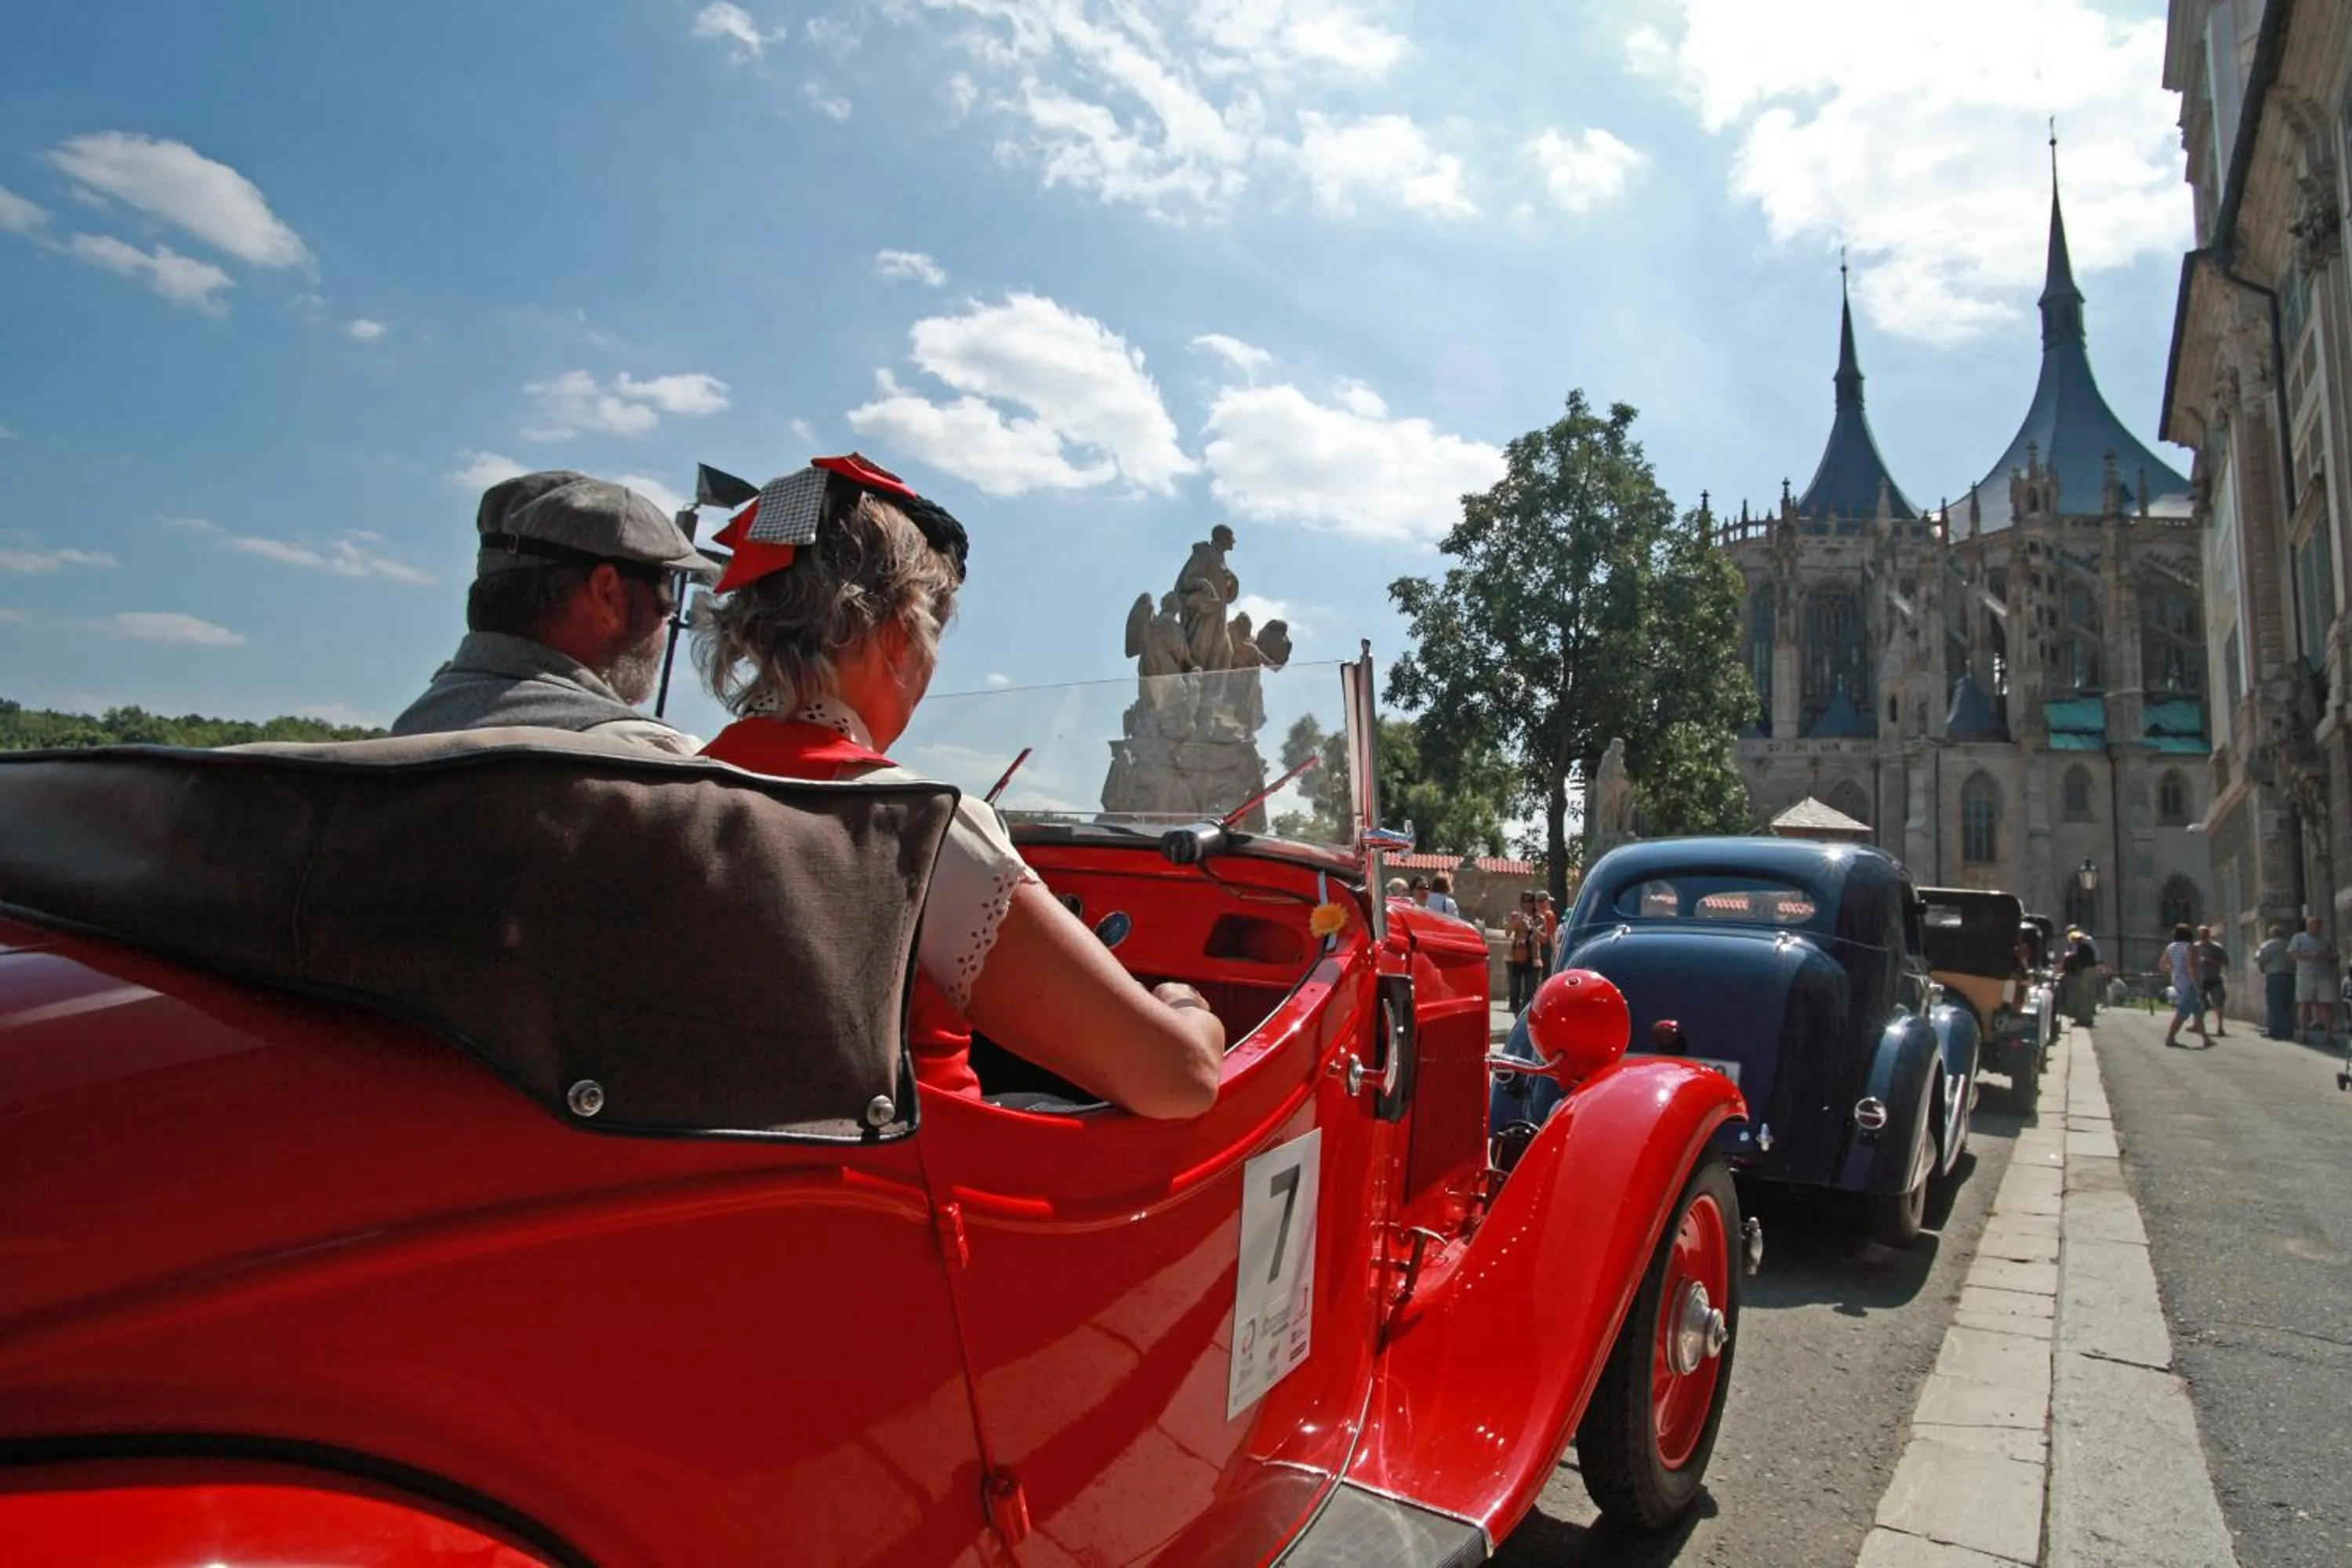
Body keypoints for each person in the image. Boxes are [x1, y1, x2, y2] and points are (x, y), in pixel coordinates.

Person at [692, 454, 1221, 1120]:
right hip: (923, 1199)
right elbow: (1180, 1076)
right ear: (895, 636)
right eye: (934, 633)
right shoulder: (918, 829)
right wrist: (1183, 1007)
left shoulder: (671, 784)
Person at [394, 470, 711, 752]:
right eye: (665, 596)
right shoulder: (647, 757)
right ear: (606, 593)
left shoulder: (404, 737)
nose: (667, 619)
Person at [2160, 923, 2212, 1049]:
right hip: (2189, 982)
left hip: (2177, 981)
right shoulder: (2190, 947)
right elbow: (2191, 966)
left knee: (2197, 1010)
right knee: (2183, 1012)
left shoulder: (2171, 947)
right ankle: (2170, 1037)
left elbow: (2162, 965)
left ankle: (2206, 1039)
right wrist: (2196, 983)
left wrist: (2173, 969)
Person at [2288, 916, 2336, 1040]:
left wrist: (2327, 956)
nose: (2316, 928)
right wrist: (2310, 956)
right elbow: (2292, 955)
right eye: (2313, 925)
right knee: (2305, 1003)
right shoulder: (2298, 938)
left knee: (2326, 1004)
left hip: (2324, 975)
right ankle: (2304, 1033)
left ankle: (2329, 1034)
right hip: (2305, 975)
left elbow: (2334, 956)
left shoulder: (2326, 940)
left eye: (2318, 926)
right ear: (2308, 926)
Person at [2256, 922, 2296, 1040]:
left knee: (2274, 1004)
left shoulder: (2268, 945)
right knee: (2287, 1004)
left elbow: (2259, 958)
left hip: (2274, 975)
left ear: (2271, 934)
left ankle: (2275, 1030)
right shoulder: (2289, 944)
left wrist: (2262, 968)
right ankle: (2288, 1031)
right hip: (2290, 975)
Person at [1504, 891, 1542, 1013]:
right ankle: (1514, 1009)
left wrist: (1530, 926)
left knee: (1530, 991)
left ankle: (1526, 1013)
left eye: (1529, 902)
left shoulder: (1539, 919)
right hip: (1515, 956)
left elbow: (1542, 937)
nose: (1526, 905)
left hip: (1533, 957)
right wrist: (1514, 921)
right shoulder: (1516, 917)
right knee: (1514, 989)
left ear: (1534, 904)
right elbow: (1508, 933)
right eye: (1524, 902)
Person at [2192, 924, 2230, 1037]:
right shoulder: (2195, 947)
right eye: (2201, 934)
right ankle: (2196, 1025)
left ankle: (2220, 1027)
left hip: (2214, 978)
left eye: (2205, 933)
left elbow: (2225, 962)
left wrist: (2210, 961)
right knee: (2199, 1003)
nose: (2203, 936)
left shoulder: (2216, 947)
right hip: (2200, 979)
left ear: (2209, 934)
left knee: (2218, 1003)